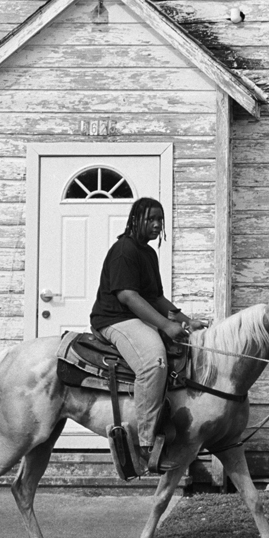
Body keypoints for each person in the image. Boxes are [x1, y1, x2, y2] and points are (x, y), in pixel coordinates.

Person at [90, 197, 203, 474]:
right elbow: (128, 296)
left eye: (160, 220)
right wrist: (165, 326)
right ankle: (145, 444)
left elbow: (155, 296)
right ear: (135, 220)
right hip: (114, 320)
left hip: (134, 318)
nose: (156, 225)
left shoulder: (149, 254)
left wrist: (186, 321)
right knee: (155, 361)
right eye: (150, 219)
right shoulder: (123, 250)